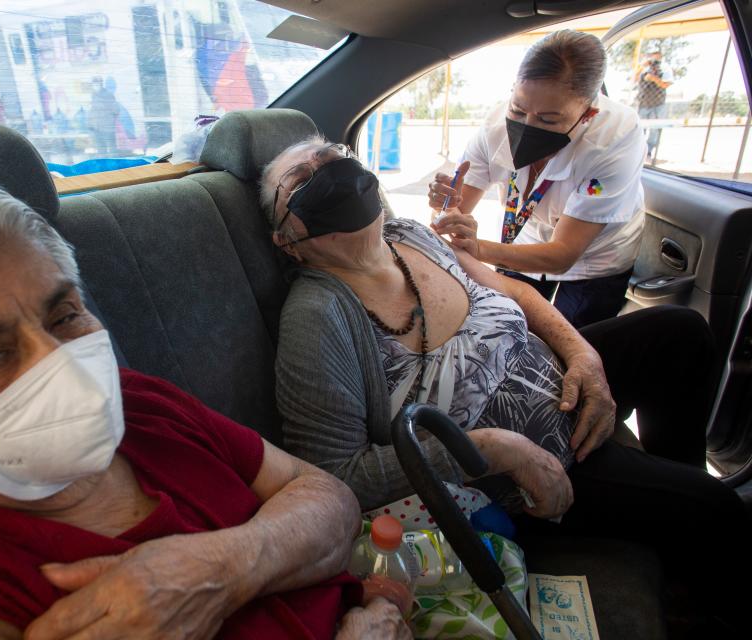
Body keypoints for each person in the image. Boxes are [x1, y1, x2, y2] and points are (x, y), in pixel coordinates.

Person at [0, 184, 411, 640]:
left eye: (64, 316)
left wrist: (227, 567)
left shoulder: (140, 404)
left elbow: (327, 496)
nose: (58, 365)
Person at [261, 138, 750, 630]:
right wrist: (493, 449)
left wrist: (582, 355)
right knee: (717, 513)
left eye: (333, 158)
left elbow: (511, 288)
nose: (328, 174)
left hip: (557, 383)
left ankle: (674, 494)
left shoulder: (407, 234)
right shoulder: (318, 317)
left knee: (681, 334)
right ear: (288, 239)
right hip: (535, 468)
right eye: (301, 179)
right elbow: (335, 476)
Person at [429, 30, 644, 328]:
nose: (526, 126)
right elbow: (452, 213)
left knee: (576, 336)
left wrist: (481, 249)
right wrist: (446, 208)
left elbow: (563, 254)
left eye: (548, 119)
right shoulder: (493, 129)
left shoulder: (614, 141)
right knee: (507, 326)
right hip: (524, 240)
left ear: (588, 113)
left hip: (593, 261)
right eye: (517, 109)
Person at [636, 50, 673, 160]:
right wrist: (642, 67)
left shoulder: (665, 69)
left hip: (658, 103)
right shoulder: (643, 68)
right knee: (640, 129)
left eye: (656, 60)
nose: (653, 62)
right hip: (643, 102)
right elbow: (634, 79)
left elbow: (666, 84)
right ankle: (638, 150)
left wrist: (654, 78)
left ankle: (648, 151)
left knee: (654, 130)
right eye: (651, 59)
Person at [88, 76, 121, 156]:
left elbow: (116, 110)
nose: (95, 85)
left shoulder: (108, 95)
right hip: (97, 128)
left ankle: (114, 165)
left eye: (97, 83)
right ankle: (104, 166)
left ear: (101, 84)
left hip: (107, 127)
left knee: (112, 148)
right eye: (94, 84)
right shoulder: (92, 95)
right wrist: (90, 124)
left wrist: (109, 121)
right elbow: (91, 111)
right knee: (101, 149)